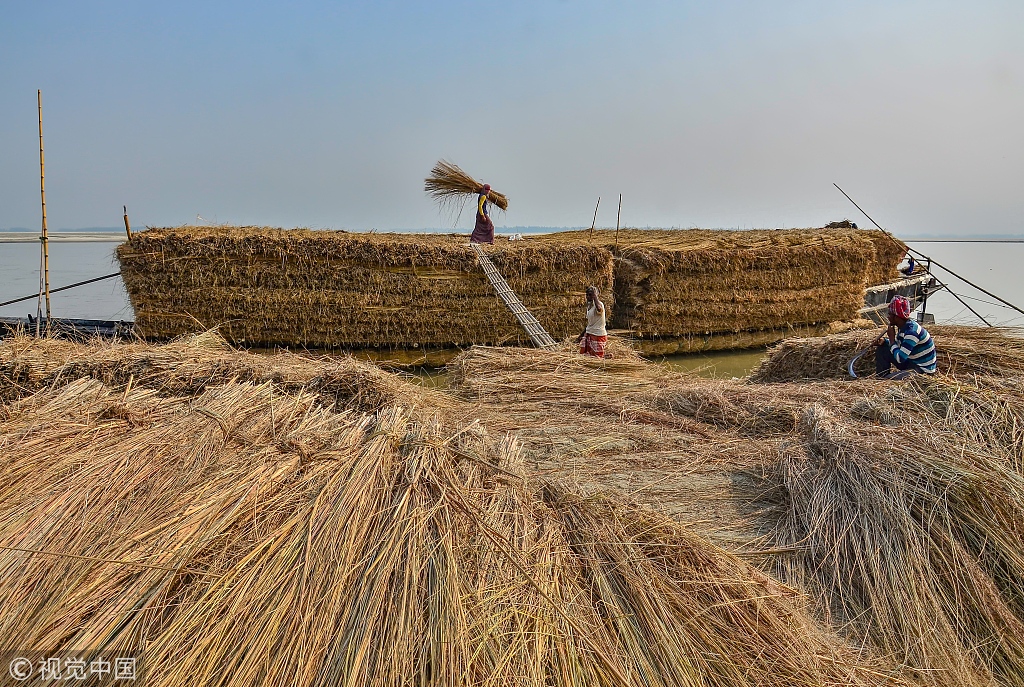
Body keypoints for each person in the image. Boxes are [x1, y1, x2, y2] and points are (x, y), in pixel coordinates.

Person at [874, 295, 936, 379]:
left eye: (889, 314)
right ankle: (881, 376)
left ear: (896, 317)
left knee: (887, 381)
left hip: (921, 369)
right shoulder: (903, 327)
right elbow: (901, 347)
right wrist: (885, 341)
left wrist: (891, 339)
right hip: (911, 361)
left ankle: (885, 379)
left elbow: (900, 358)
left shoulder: (912, 332)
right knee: (883, 348)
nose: (888, 317)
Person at [578, 286, 608, 358]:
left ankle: (607, 357)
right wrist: (581, 335)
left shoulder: (599, 304)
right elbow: (590, 324)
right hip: (589, 334)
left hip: (597, 335)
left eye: (590, 295)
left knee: (596, 358)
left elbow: (599, 308)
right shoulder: (589, 307)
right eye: (587, 295)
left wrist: (595, 297)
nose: (588, 297)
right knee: (586, 356)